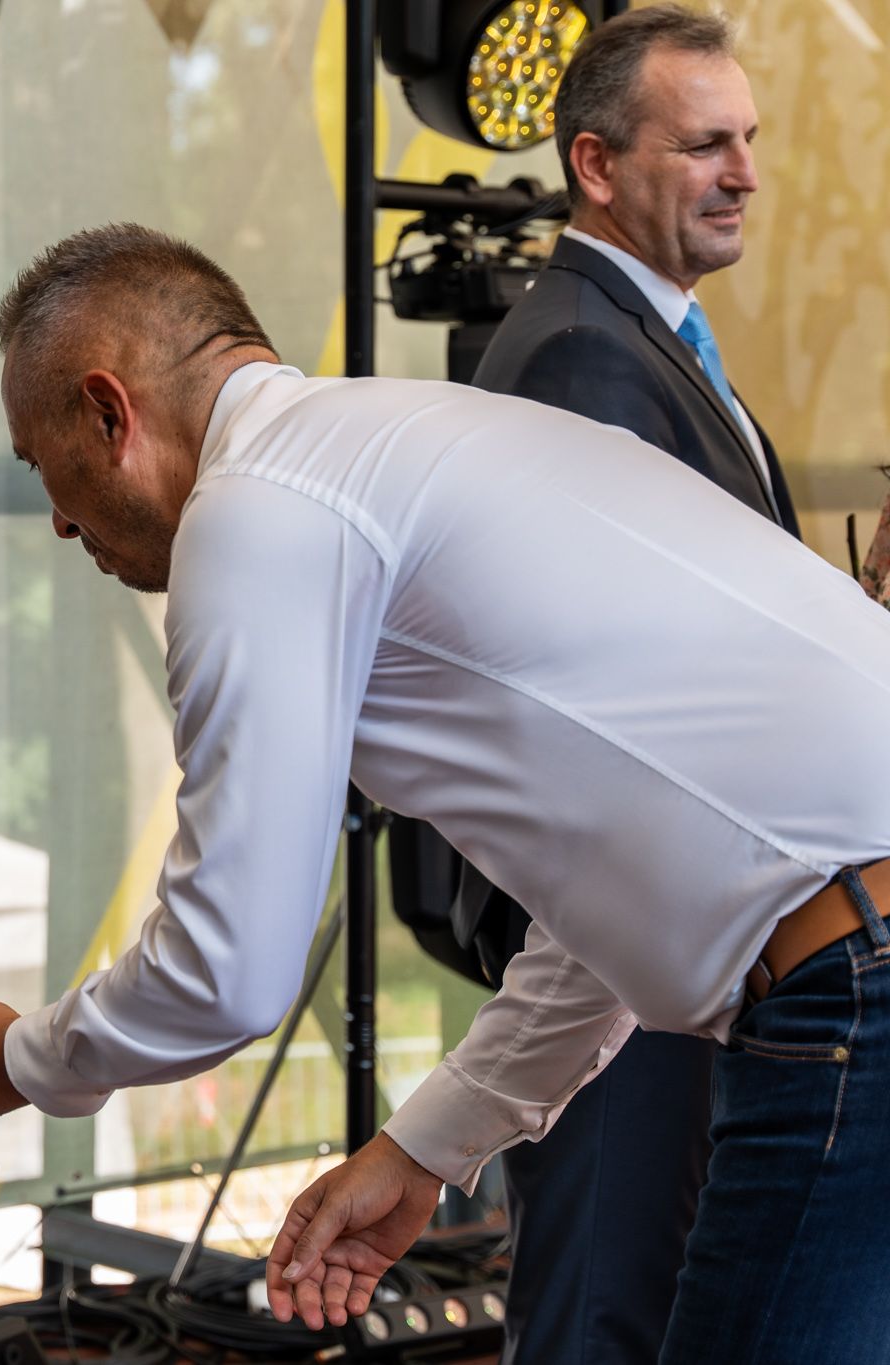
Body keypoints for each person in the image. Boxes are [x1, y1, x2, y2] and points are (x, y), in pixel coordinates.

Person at [0, 223, 890, 1363]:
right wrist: (421, 1149)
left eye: (42, 467)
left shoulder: (255, 509)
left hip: (852, 976)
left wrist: (18, 1058)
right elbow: (607, 927)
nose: (60, 521)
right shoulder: (415, 437)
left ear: (107, 412)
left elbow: (226, 968)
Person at [448, 10, 792, 1360]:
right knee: (605, 1308)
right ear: (594, 164)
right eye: (703, 144)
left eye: (747, 138)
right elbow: (628, 692)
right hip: (620, 929)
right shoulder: (581, 353)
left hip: (687, 921)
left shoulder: (655, 338)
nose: (744, 172)